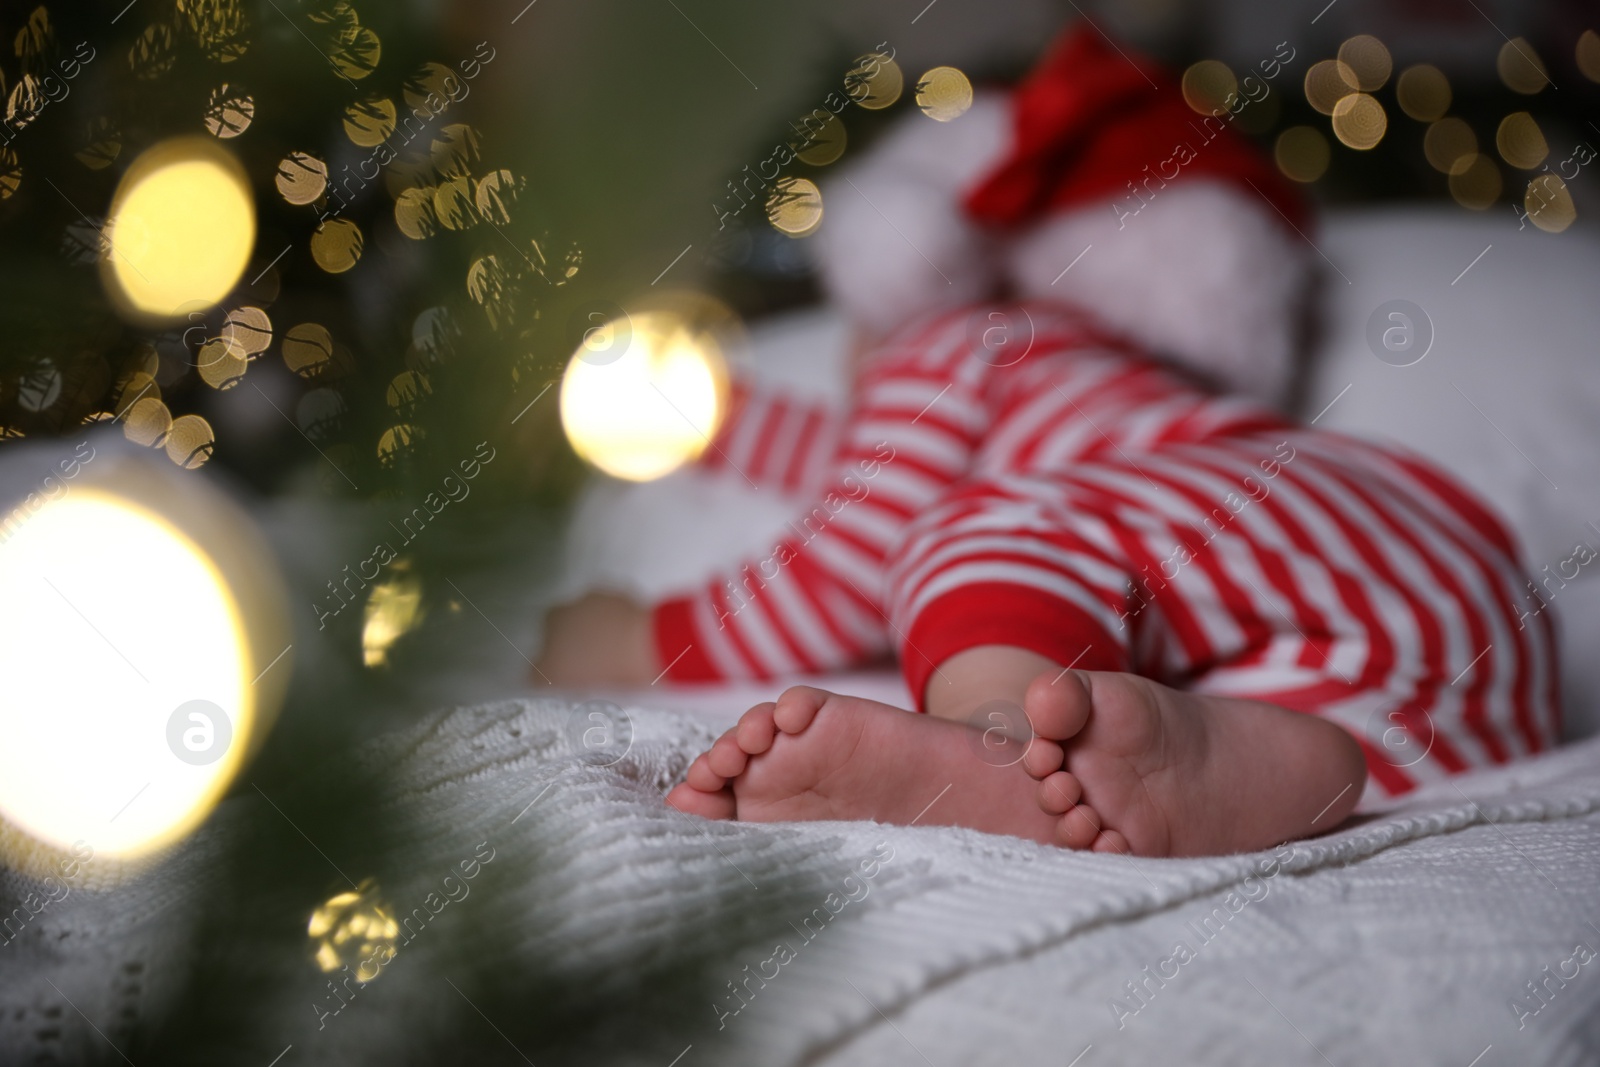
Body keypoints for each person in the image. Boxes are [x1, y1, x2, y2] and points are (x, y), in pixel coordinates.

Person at [534, 27, 1559, 856]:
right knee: (1254, 741)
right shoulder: (1103, 395)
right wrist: (707, 418)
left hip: (1329, 535)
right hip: (1457, 658)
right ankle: (1239, 761)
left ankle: (1002, 746)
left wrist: (640, 639)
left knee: (968, 528)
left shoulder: (969, 339)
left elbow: (846, 555)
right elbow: (825, 457)